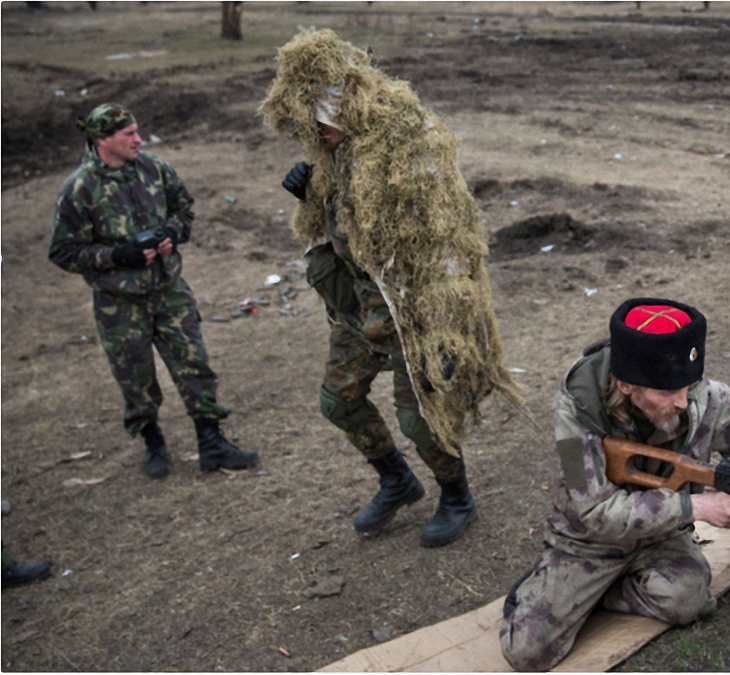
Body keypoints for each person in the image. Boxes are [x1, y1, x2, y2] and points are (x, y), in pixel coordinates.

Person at [499, 298, 730, 671]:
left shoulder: (705, 397)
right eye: (666, 392)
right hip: (588, 540)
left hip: (663, 535)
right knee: (526, 653)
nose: (682, 401)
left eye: (687, 385)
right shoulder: (578, 409)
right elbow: (594, 511)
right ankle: (559, 585)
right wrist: (698, 507)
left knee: (688, 601)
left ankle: (597, 594)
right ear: (626, 384)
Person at [260, 31, 520, 548]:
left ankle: (457, 496)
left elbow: (448, 237)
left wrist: (446, 332)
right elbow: (331, 224)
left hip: (414, 311)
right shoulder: (333, 149)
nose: (314, 136)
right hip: (360, 306)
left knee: (419, 418)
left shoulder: (407, 141)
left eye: (319, 125)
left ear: (341, 108)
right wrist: (310, 191)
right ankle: (396, 480)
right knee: (338, 401)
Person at [49, 104, 259, 479]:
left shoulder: (154, 169)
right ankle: (153, 443)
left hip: (169, 290)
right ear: (102, 140)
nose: (138, 139)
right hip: (119, 304)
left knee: (195, 365)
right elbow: (64, 251)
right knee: (135, 378)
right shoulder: (79, 189)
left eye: (137, 131)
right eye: (128, 134)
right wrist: (117, 255)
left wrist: (172, 234)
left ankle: (212, 443)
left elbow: (184, 209)